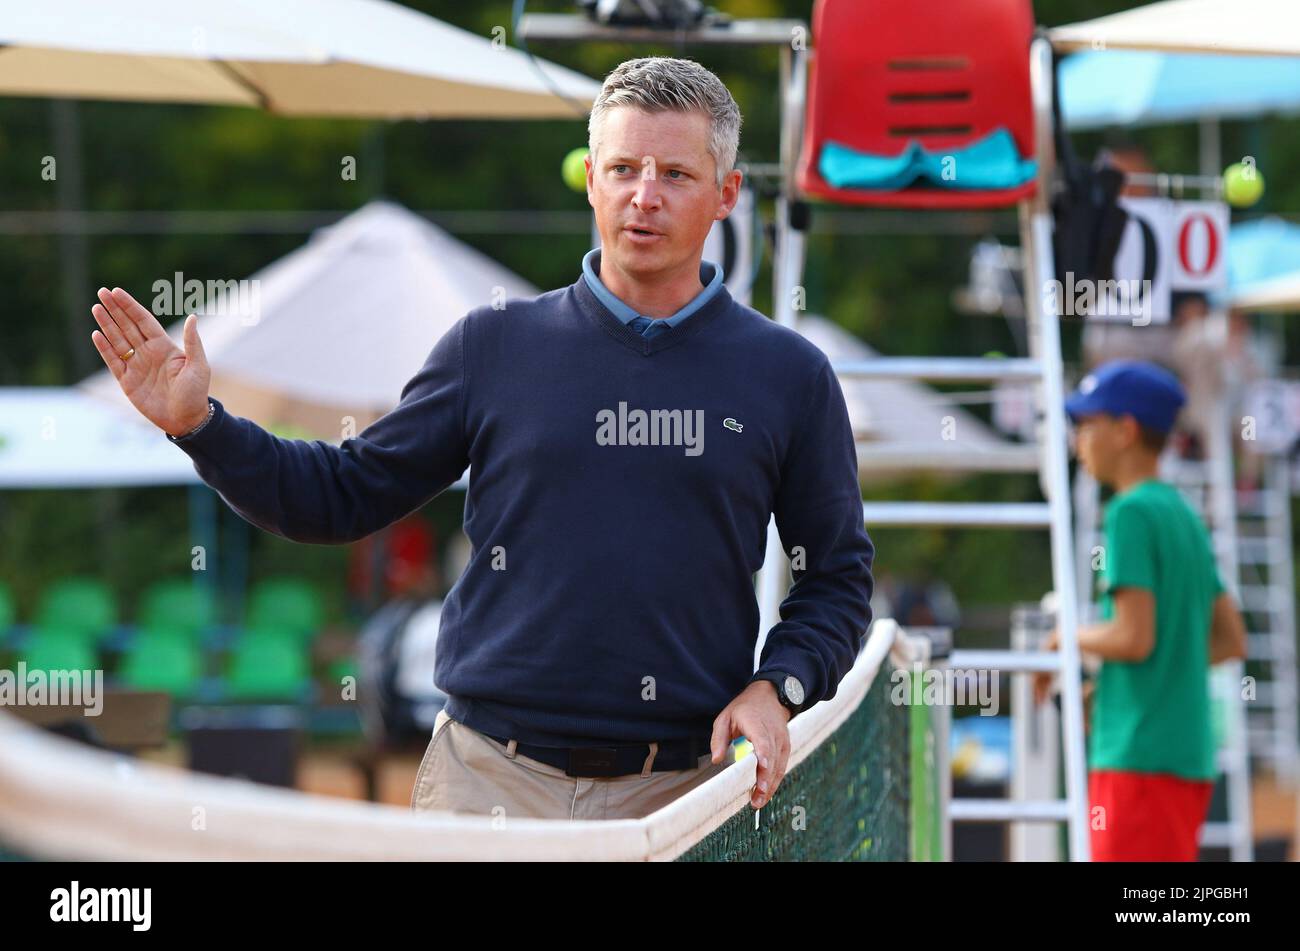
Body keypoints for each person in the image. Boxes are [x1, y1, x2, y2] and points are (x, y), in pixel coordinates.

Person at [87, 56, 875, 821]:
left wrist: (779, 688)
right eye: (624, 169)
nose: (645, 196)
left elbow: (836, 579)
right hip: (487, 782)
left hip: (682, 794)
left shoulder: (789, 375)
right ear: (591, 180)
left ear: (726, 193)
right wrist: (199, 425)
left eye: (675, 175)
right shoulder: (492, 347)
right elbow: (339, 496)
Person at [1034, 360, 1247, 861]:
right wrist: (1121, 691)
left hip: (1138, 758)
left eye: (1087, 425)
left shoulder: (1129, 512)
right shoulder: (1183, 514)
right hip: (1184, 755)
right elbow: (1230, 640)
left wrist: (1069, 636)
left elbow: (1134, 638)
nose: (1078, 439)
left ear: (1125, 431)